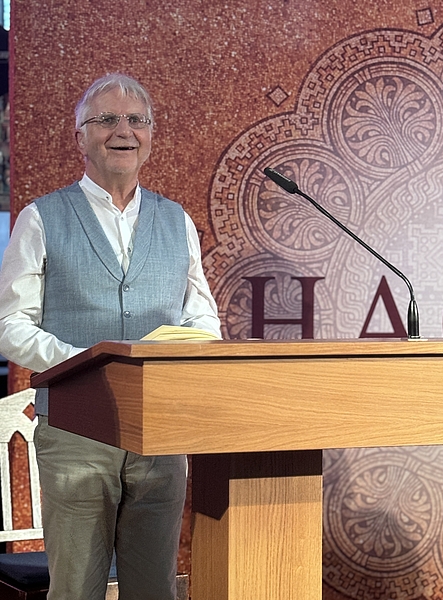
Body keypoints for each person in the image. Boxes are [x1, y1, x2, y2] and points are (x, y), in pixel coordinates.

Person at [0, 73, 222, 600]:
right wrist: (87, 360)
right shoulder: (40, 218)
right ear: (80, 137)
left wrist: (174, 351)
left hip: (161, 431)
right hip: (76, 432)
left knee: (155, 589)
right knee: (76, 590)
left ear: (151, 136)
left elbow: (204, 322)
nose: (123, 130)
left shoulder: (177, 220)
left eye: (136, 120)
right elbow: (10, 325)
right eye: (106, 120)